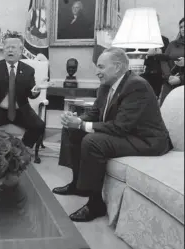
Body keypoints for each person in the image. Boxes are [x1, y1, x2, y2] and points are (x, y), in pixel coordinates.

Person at [53, 47, 172, 222]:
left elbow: (120, 127)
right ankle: (77, 185)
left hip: (146, 140)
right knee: (72, 129)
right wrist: (75, 119)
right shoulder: (105, 86)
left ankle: (95, 204)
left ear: (117, 67)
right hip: (126, 133)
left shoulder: (137, 85)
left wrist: (81, 124)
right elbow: (94, 113)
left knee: (93, 141)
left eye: (101, 67)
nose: (96, 72)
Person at [0, 35, 52, 152]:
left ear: (20, 51)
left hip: (21, 109)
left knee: (39, 125)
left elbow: (31, 94)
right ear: (3, 51)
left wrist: (37, 89)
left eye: (13, 48)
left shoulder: (29, 70)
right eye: (7, 48)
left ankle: (22, 149)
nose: (10, 50)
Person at [159, 17, 184, 105]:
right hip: (169, 82)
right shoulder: (172, 44)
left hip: (182, 83)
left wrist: (180, 79)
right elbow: (163, 60)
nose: (183, 29)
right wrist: (168, 76)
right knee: (165, 110)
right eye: (181, 27)